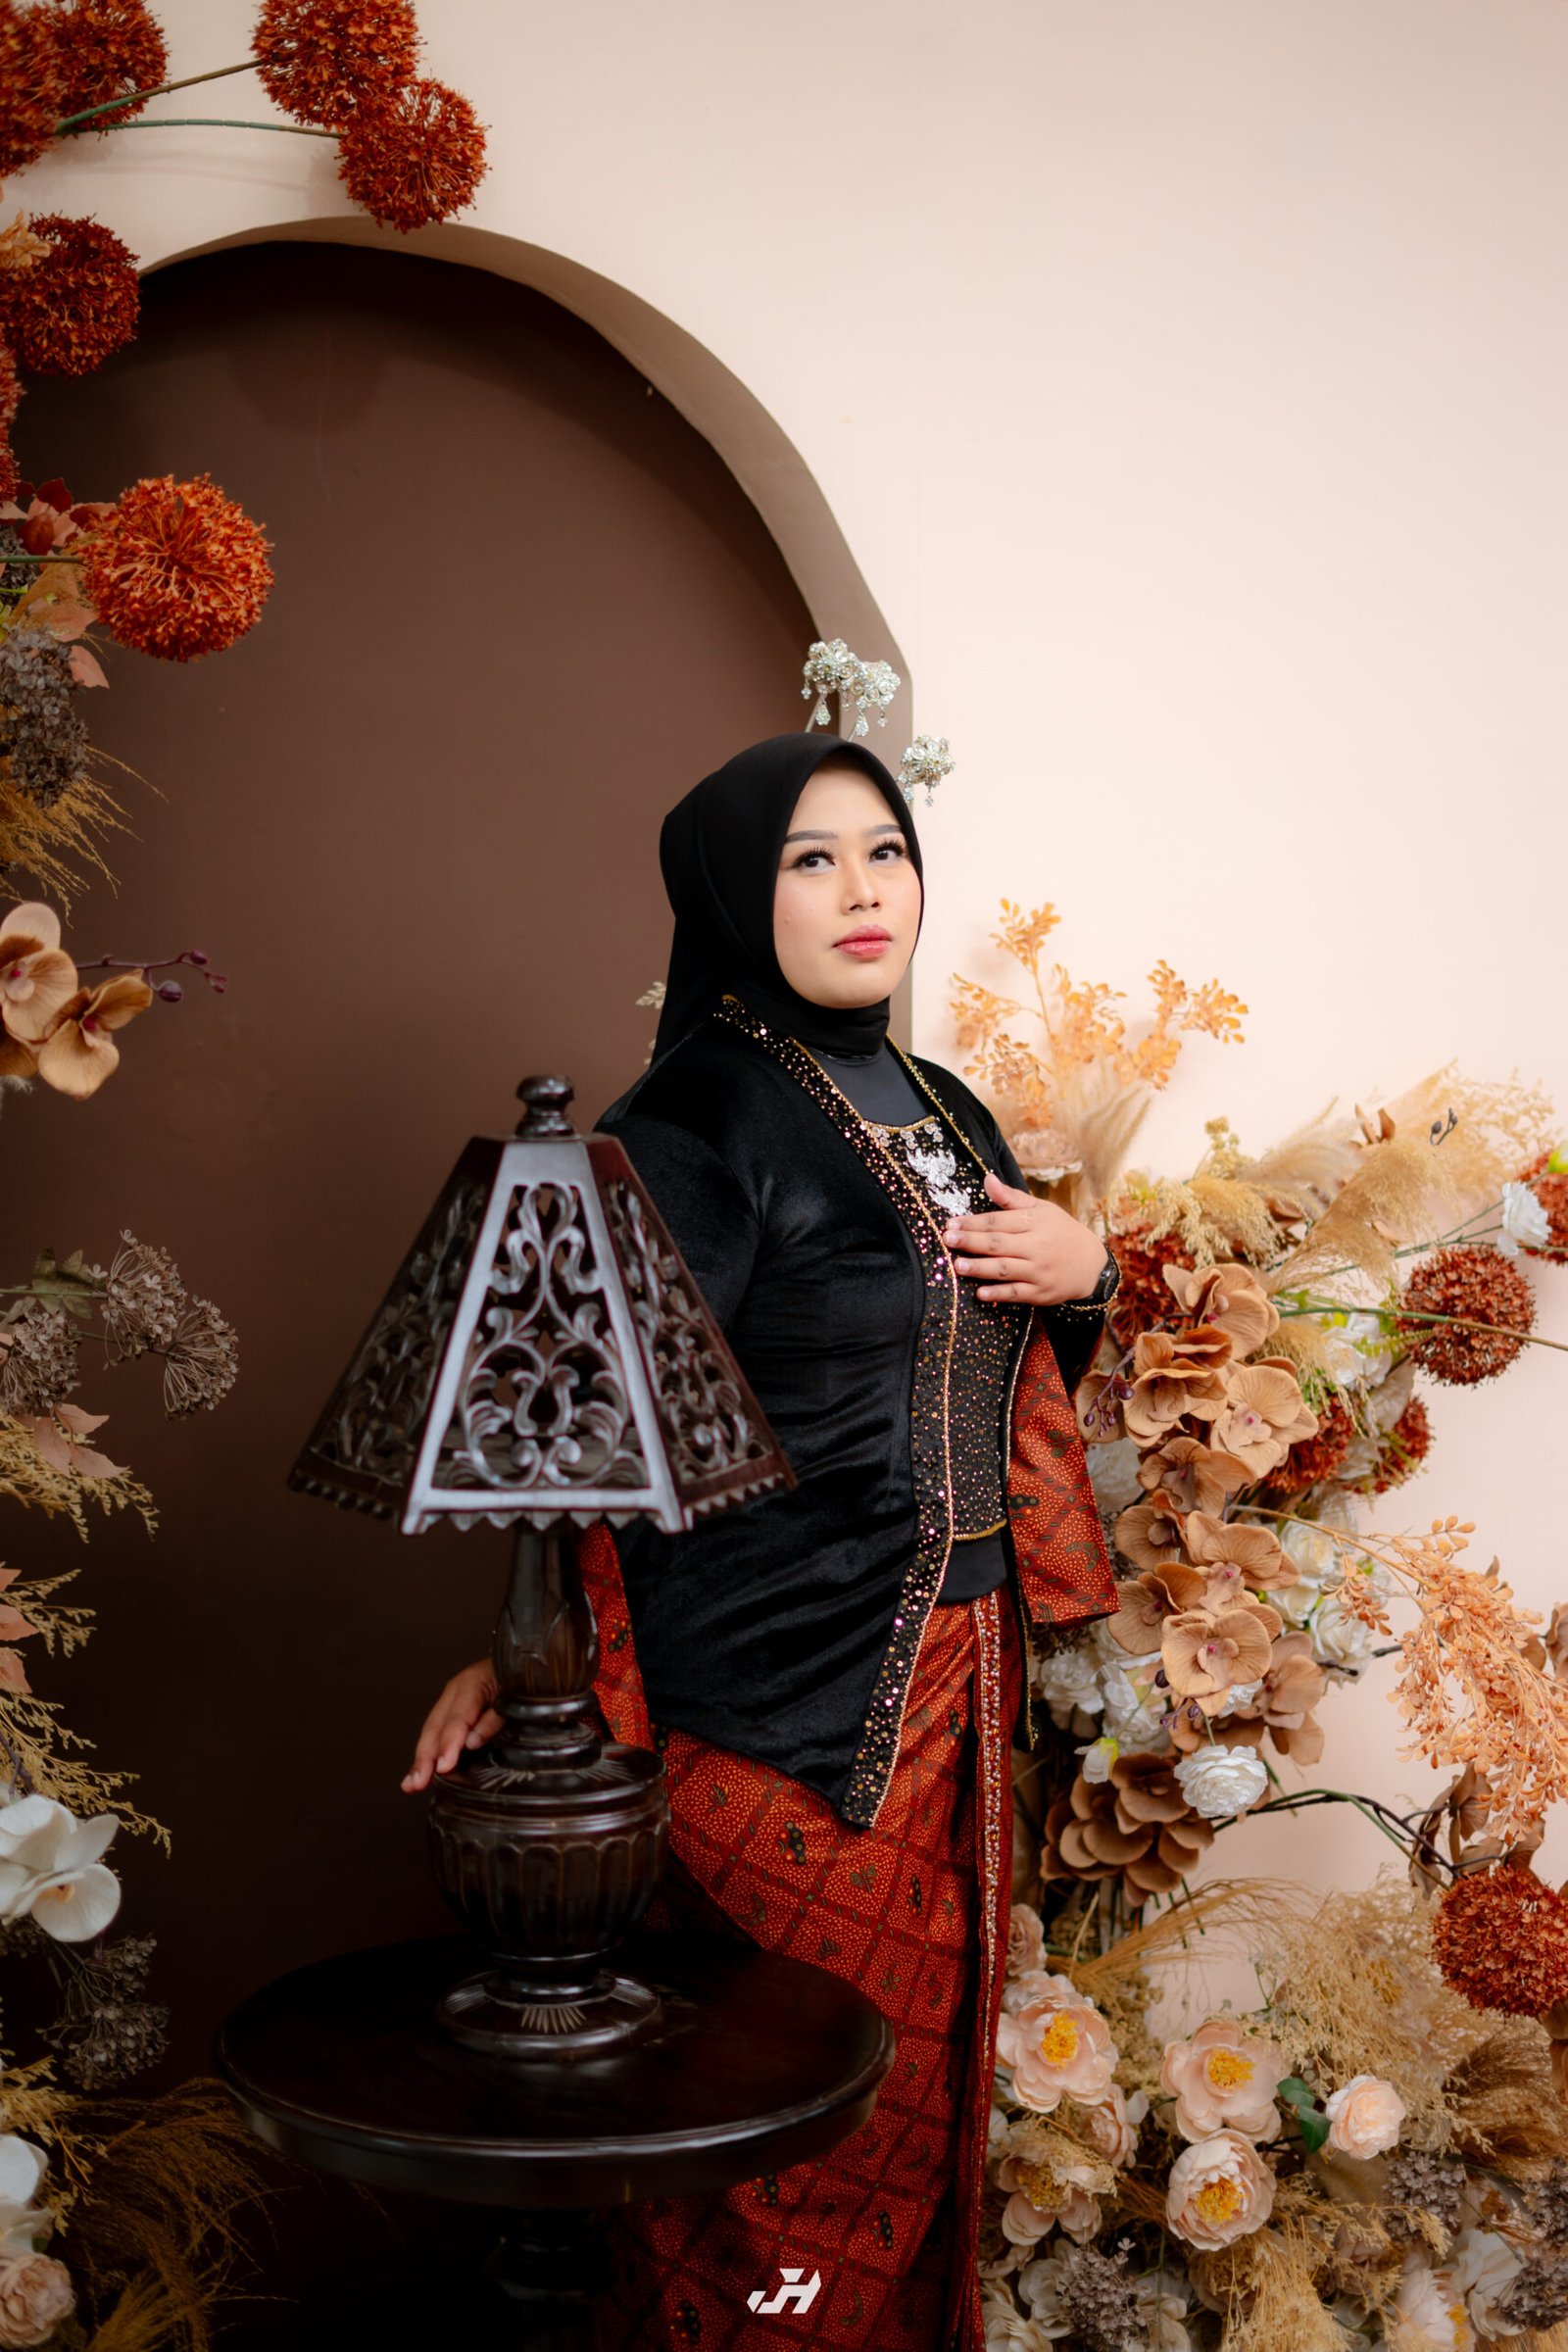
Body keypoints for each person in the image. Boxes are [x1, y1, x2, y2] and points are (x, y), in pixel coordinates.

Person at [404, 733, 1120, 2350]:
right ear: (737, 892)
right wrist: (531, 1654)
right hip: (777, 1716)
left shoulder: (942, 1108)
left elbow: (988, 1375)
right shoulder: (695, 1120)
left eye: (886, 850)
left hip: (953, 1692)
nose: (864, 890)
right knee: (792, 2141)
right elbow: (593, 1430)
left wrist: (1088, 1277)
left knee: (919, 2114)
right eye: (811, 859)